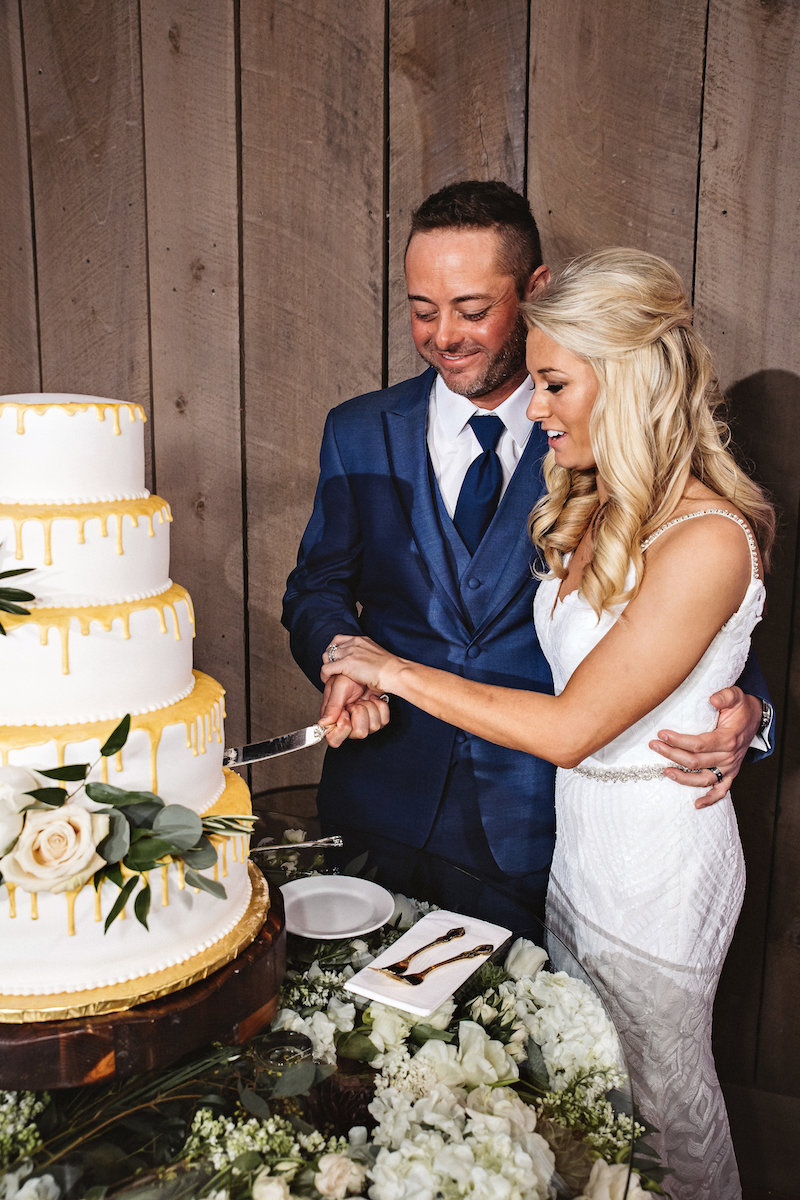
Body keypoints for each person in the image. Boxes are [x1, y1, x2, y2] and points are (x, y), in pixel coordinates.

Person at [319, 247, 776, 1200]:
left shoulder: (708, 538)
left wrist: (393, 670)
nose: (535, 408)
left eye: (556, 383)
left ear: (633, 375)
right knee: (590, 1097)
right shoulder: (598, 496)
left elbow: (577, 722)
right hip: (577, 848)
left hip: (654, 865)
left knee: (661, 1104)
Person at [282, 180, 771, 929]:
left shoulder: (607, 452)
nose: (444, 334)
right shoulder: (358, 430)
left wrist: (755, 711)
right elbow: (315, 586)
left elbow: (696, 607)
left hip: (542, 831)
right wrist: (344, 654)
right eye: (421, 309)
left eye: (473, 309)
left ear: (535, 290)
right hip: (379, 800)